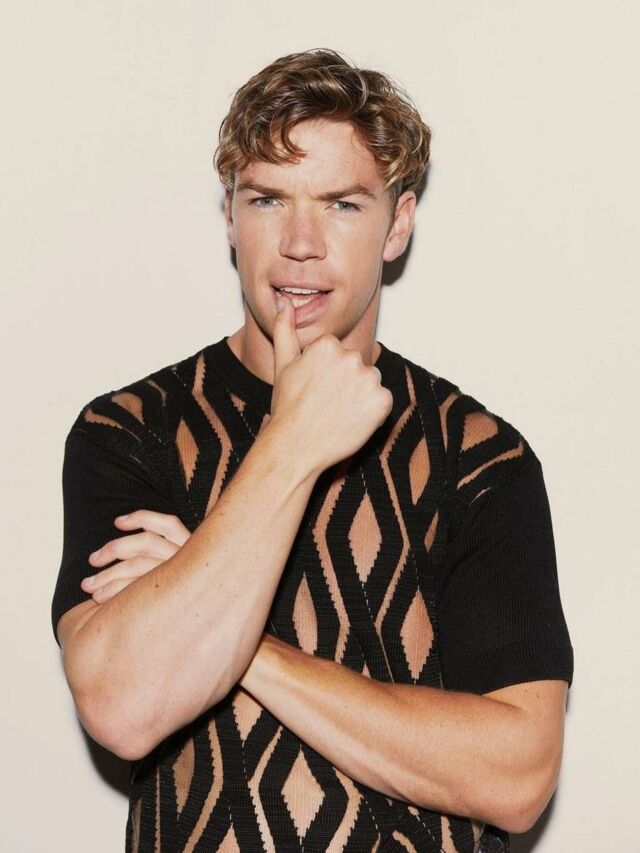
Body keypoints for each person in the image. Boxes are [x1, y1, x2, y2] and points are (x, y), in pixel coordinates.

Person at [51, 48, 573, 852]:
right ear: (230, 215)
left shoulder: (476, 456)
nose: (300, 242)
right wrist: (291, 444)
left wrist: (238, 648)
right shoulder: (131, 431)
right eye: (268, 199)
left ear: (398, 224)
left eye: (341, 204)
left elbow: (517, 777)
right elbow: (124, 704)